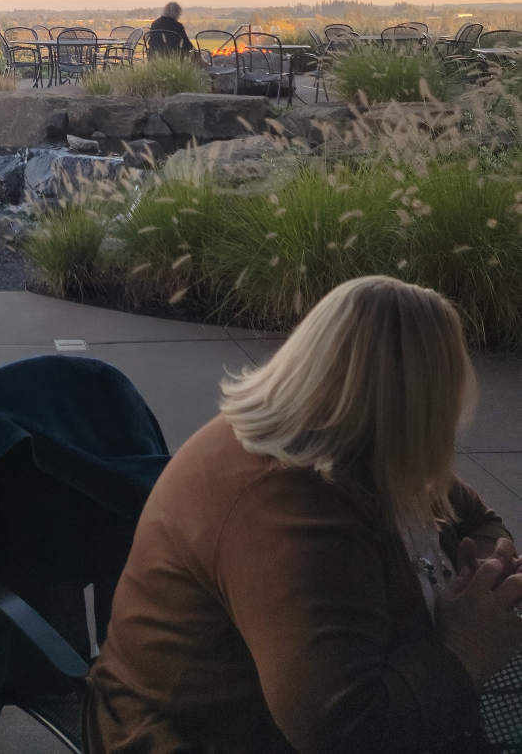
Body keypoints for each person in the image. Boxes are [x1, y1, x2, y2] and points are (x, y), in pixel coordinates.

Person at [84, 276, 522, 754]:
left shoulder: (354, 444)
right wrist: (463, 652)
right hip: (192, 736)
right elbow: (344, 731)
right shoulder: (287, 511)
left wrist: (479, 578)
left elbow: (478, 518)